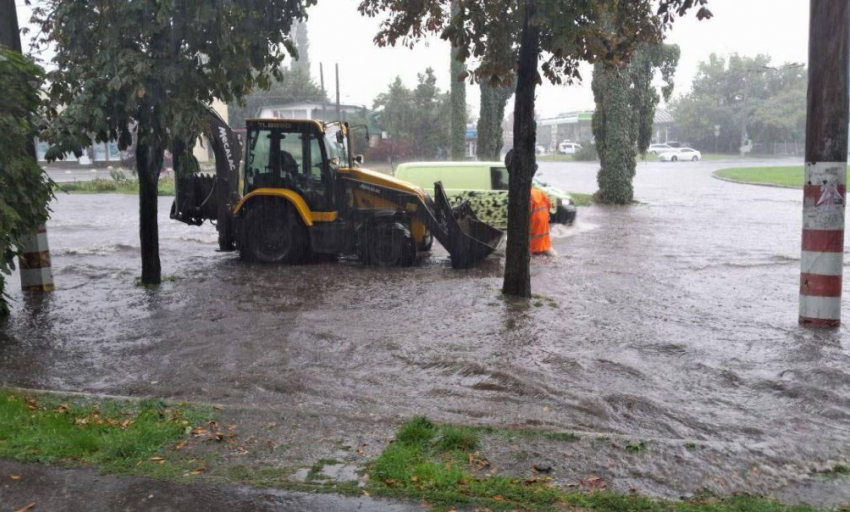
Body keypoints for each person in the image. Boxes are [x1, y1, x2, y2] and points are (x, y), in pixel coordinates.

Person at [530, 187, 556, 256]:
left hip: (534, 220)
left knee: (532, 246)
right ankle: (555, 257)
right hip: (544, 219)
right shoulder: (539, 192)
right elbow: (549, 204)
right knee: (545, 243)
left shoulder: (526, 195)